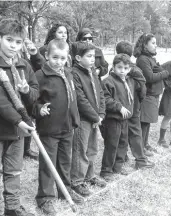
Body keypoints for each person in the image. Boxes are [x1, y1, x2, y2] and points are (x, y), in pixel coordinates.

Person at [0, 19, 38, 216]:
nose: (13, 45)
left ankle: (12, 208)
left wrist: (27, 91)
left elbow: (36, 93)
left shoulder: (24, 65)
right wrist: (19, 121)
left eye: (18, 42)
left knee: (14, 171)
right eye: (9, 40)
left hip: (18, 132)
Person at [32, 39, 84, 215]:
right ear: (46, 56)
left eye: (62, 58)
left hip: (67, 128)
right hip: (49, 129)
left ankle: (64, 190)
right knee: (48, 163)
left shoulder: (68, 73)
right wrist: (39, 110)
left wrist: (75, 119)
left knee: (64, 161)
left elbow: (72, 99)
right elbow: (32, 100)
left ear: (67, 58)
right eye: (55, 57)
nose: (58, 62)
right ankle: (45, 197)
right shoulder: (40, 76)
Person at [70, 41, 107, 197]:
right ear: (78, 58)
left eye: (94, 56)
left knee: (92, 148)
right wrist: (94, 116)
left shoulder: (92, 71)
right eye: (89, 56)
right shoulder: (74, 73)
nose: (93, 59)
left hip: (95, 118)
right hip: (83, 119)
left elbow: (100, 93)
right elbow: (80, 99)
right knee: (80, 150)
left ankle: (89, 175)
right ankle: (77, 181)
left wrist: (101, 113)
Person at [100, 53, 140, 181]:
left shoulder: (128, 80)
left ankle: (118, 166)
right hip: (113, 119)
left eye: (126, 68)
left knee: (123, 143)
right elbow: (105, 99)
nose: (122, 71)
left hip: (125, 120)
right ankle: (106, 170)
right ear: (113, 67)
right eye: (119, 67)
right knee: (112, 144)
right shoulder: (108, 81)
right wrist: (119, 107)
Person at [115, 41, 155, 167]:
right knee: (135, 133)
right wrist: (140, 99)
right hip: (133, 105)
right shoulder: (134, 69)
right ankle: (140, 160)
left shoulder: (115, 68)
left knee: (122, 133)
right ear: (131, 53)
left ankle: (125, 157)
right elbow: (142, 88)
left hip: (121, 106)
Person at [135, 33, 168, 155]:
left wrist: (161, 71)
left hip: (153, 94)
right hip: (147, 94)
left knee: (147, 121)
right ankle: (141, 148)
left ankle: (145, 143)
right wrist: (165, 73)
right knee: (143, 122)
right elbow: (149, 77)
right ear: (145, 45)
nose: (156, 45)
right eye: (153, 43)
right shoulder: (143, 59)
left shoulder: (149, 58)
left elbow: (155, 71)